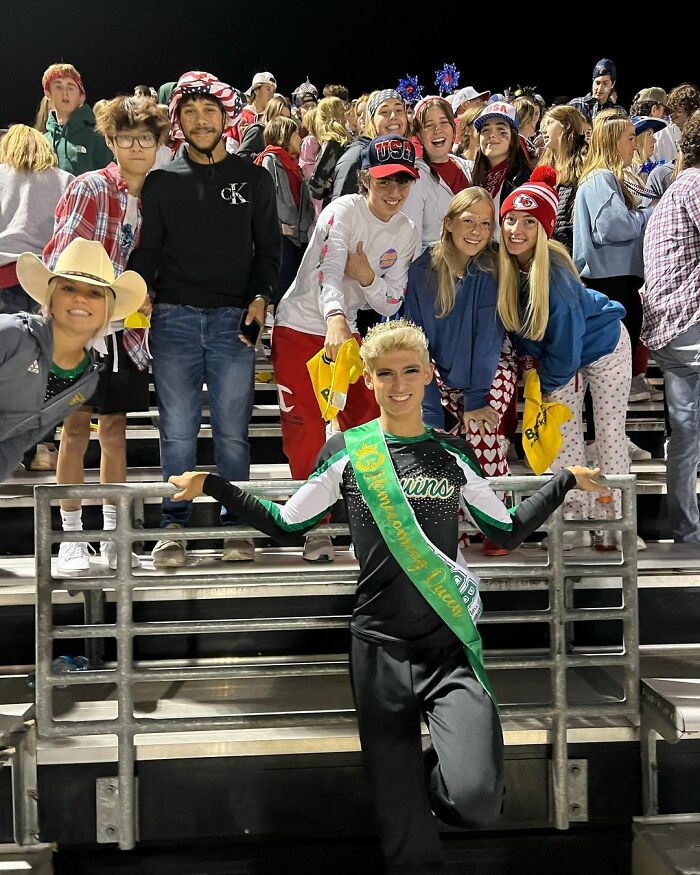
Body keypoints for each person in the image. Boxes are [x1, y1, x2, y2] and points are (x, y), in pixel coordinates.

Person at [169, 318, 606, 873]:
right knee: (401, 827)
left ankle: (431, 770)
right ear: (367, 381)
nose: (398, 385)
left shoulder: (451, 452)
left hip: (447, 646)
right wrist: (215, 484)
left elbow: (507, 531)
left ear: (427, 374)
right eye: (383, 374)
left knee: (475, 799)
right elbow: (286, 527)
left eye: (408, 372)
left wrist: (564, 481)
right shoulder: (347, 452)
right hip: (379, 648)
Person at [127, 70, 280, 568]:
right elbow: (147, 250)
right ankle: (174, 527)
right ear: (178, 120)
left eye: (208, 111)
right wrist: (133, 292)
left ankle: (238, 526)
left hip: (234, 319)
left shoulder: (254, 179)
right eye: (189, 112)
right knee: (176, 429)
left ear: (225, 116)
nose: (199, 120)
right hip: (173, 318)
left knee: (233, 430)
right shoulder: (161, 181)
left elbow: (269, 252)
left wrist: (260, 299)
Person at [271, 135, 419, 559]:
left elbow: (391, 301)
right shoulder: (342, 211)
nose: (394, 192)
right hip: (300, 327)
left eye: (403, 182)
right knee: (304, 430)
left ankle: (367, 520)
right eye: (384, 181)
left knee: (367, 425)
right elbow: (329, 270)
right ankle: (313, 526)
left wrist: (368, 276)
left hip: (347, 331)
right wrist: (335, 316)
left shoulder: (407, 231)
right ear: (364, 178)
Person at [43, 95, 166, 574]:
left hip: (130, 333)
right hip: (83, 325)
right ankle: (71, 541)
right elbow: (63, 252)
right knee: (74, 429)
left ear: (158, 144)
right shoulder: (89, 186)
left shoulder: (160, 194)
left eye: (146, 139)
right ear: (111, 142)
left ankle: (115, 538)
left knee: (115, 431)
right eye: (126, 139)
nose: (136, 148)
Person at [497, 167, 638, 550]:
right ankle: (574, 520)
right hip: (564, 359)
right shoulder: (508, 269)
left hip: (605, 345)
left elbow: (566, 345)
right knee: (562, 437)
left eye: (528, 222)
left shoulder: (554, 272)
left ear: (543, 229)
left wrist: (547, 386)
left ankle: (618, 526)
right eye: (510, 219)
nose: (516, 229)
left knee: (609, 435)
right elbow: (525, 337)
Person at [404, 188, 518, 555]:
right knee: (436, 442)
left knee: (480, 430)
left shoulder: (492, 267)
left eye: (486, 224)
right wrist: (431, 410)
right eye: (469, 221)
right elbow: (416, 344)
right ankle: (448, 527)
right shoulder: (422, 270)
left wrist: (474, 400)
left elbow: (487, 340)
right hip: (437, 374)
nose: (477, 231)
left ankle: (497, 523)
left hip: (488, 372)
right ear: (448, 223)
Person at [0, 238, 144, 484]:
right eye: (69, 288)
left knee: (108, 431)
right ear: (51, 299)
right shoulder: (12, 334)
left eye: (94, 292)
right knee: (75, 431)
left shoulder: (84, 379)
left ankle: (109, 521)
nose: (80, 298)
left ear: (107, 308)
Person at [0, 125, 74, 470]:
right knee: (43, 371)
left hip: (1, 279)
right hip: (43, 282)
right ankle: (43, 448)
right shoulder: (65, 179)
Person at [641, 111, 700, 544]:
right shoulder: (696, 184)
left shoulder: (679, 187)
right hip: (688, 324)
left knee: (686, 432)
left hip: (669, 331)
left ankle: (686, 528)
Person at [574, 116, 654, 407]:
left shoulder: (603, 178)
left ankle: (610, 442)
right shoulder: (600, 178)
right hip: (612, 284)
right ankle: (605, 443)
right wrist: (648, 213)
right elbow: (613, 227)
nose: (636, 144)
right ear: (612, 142)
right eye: (631, 138)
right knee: (610, 372)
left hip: (614, 281)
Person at [402, 96, 472, 258]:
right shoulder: (415, 177)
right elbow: (412, 244)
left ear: (454, 128)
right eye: (429, 125)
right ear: (418, 135)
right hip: (434, 269)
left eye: (443, 122)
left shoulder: (469, 168)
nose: (437, 130)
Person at [255, 116, 314, 299]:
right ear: (284, 135)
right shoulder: (270, 160)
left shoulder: (292, 163)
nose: (300, 138)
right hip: (282, 235)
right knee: (283, 288)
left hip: (295, 234)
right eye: (296, 133)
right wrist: (279, 225)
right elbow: (267, 197)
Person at [332, 89, 409, 200]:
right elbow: (340, 208)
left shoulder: (404, 154)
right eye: (384, 112)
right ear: (372, 120)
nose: (393, 116)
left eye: (398, 110)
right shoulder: (357, 155)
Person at [470, 102, 532, 239]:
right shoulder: (473, 177)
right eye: (485, 130)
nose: (492, 135)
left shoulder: (525, 183)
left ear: (513, 138)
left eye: (501, 130)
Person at [41, 62, 113, 175]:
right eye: (58, 86)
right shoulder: (41, 142)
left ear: (81, 97)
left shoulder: (98, 138)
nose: (65, 93)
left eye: (71, 87)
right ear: (48, 94)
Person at [538, 105, 589, 252]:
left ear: (566, 125)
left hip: (571, 252)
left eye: (549, 123)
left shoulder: (585, 165)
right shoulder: (543, 166)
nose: (543, 130)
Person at [308, 96, 349, 211]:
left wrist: (324, 186)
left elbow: (316, 188)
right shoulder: (350, 140)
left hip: (334, 205)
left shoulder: (332, 142)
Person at [237, 95, 291, 162]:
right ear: (270, 114)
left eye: (287, 118)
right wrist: (266, 156)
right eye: (280, 116)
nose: (285, 121)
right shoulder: (258, 131)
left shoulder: (284, 138)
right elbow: (241, 156)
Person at [568, 58, 625, 123]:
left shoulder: (618, 111)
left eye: (605, 83)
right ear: (593, 81)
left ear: (613, 84)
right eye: (597, 83)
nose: (600, 88)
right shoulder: (576, 105)